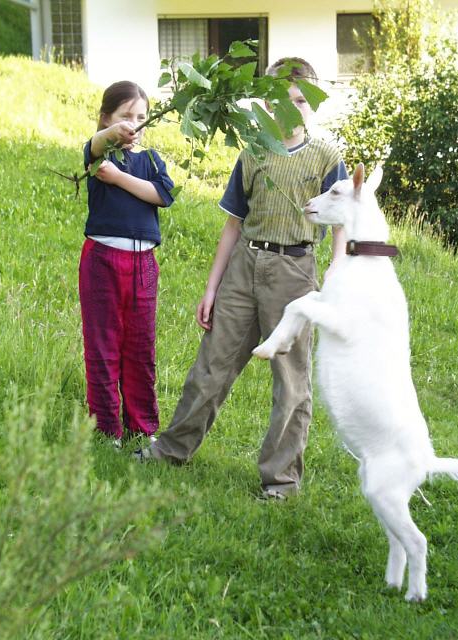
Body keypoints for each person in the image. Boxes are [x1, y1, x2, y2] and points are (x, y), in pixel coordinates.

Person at [137, 58, 348, 499]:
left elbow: (342, 221)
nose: (291, 109)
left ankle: (281, 481)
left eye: (301, 101)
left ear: (312, 103)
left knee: (291, 380)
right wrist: (212, 288)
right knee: (211, 365)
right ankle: (171, 449)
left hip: (294, 272)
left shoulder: (327, 157)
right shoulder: (253, 151)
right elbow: (233, 224)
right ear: (267, 104)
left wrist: (336, 271)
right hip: (244, 266)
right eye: (282, 101)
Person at [79, 80, 174, 447]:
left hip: (142, 264)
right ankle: (106, 429)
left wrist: (119, 179)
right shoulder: (101, 156)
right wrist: (110, 136)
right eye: (125, 117)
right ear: (106, 118)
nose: (133, 124)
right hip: (102, 260)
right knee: (102, 345)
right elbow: (94, 145)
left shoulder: (149, 161)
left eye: (140, 117)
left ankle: (143, 428)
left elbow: (163, 194)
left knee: (140, 347)